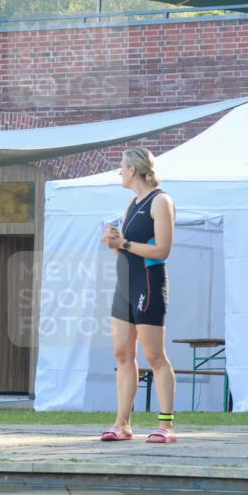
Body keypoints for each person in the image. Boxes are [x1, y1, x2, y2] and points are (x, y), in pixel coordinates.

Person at [100, 147, 178, 443]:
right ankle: (122, 424)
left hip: (149, 282)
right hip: (125, 285)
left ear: (133, 170)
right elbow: (127, 244)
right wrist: (114, 242)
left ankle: (166, 425)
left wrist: (126, 244)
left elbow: (162, 250)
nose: (119, 171)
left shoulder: (161, 201)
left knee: (155, 355)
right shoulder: (132, 203)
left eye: (121, 166)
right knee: (122, 353)